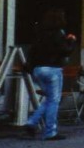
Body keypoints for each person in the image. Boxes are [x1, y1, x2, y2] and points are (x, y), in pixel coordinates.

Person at [23, 8, 78, 141]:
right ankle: (50, 131)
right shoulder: (59, 33)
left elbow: (32, 52)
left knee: (49, 98)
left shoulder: (39, 33)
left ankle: (32, 123)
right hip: (52, 69)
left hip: (38, 70)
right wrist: (71, 41)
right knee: (54, 100)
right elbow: (65, 51)